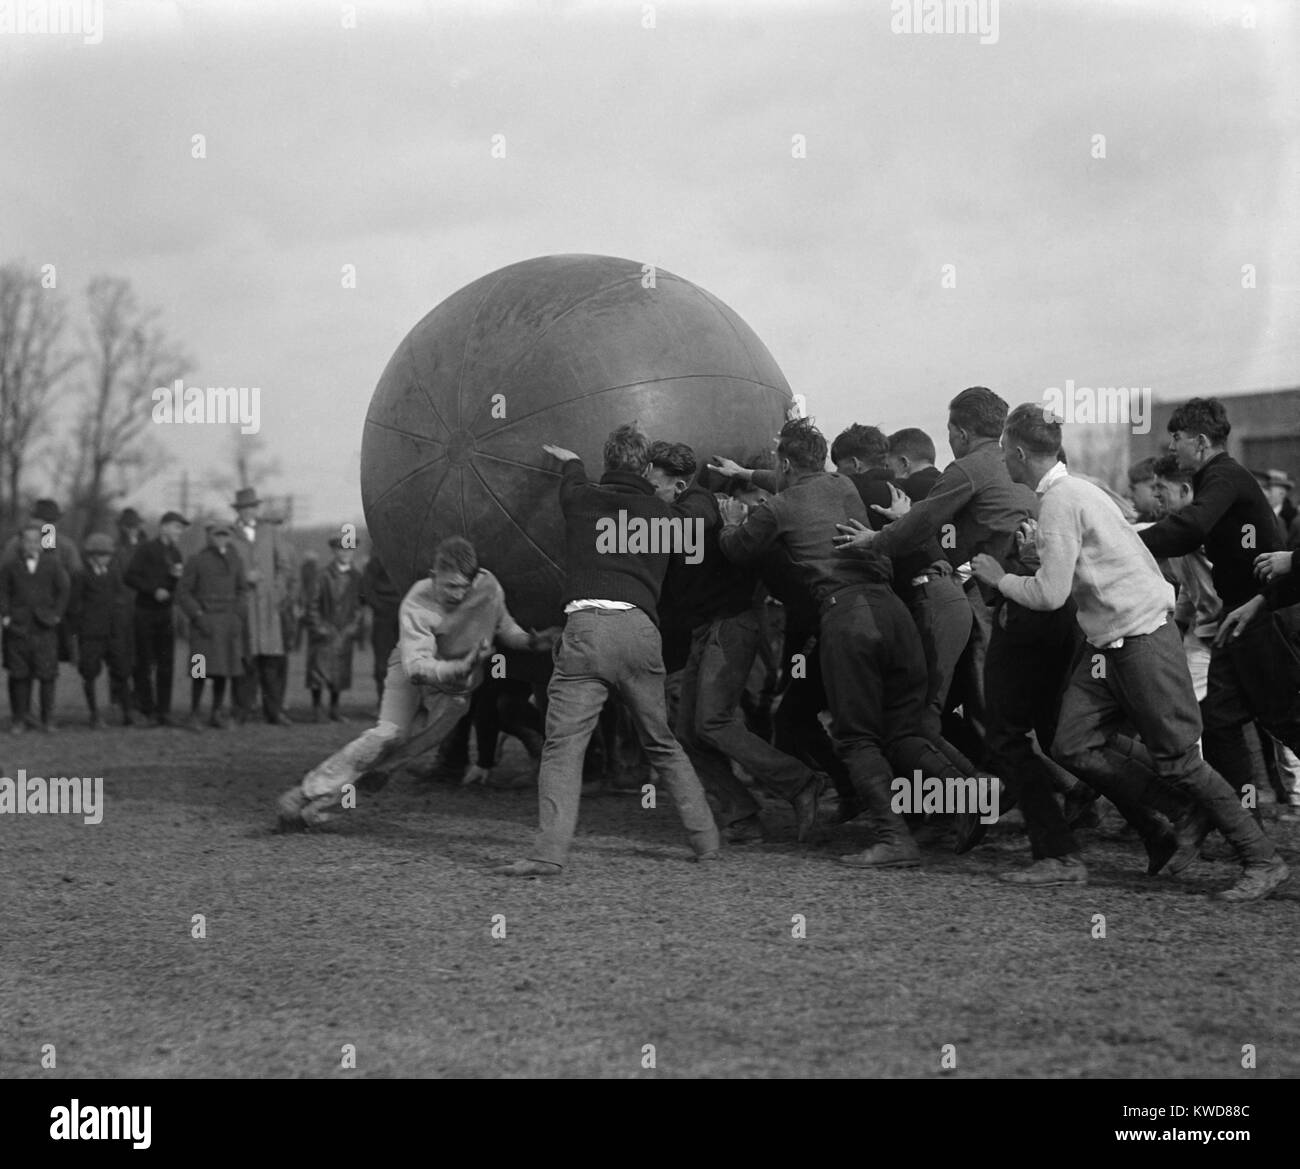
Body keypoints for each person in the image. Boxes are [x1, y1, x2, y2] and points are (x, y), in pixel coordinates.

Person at [972, 403, 1287, 902]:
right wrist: (1045, 557)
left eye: (1002, 454)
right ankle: (1183, 810)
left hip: (1139, 635)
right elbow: (1098, 555)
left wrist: (999, 578)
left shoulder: (1058, 501)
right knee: (1072, 742)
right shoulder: (1080, 490)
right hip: (1110, 640)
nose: (1001, 463)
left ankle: (1262, 860)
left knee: (1181, 760)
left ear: (1016, 451)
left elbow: (1050, 596)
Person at [718, 417, 982, 870]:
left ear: (784, 463)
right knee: (903, 730)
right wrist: (749, 473)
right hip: (897, 614)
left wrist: (728, 523)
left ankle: (893, 838)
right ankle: (972, 799)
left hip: (847, 617)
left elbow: (738, 551)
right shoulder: (845, 486)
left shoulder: (780, 507)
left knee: (856, 736)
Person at [492, 425, 723, 876]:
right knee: (662, 743)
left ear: (607, 463)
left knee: (563, 748)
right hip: (640, 632)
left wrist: (571, 459)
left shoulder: (581, 500)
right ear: (646, 468)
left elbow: (573, 478)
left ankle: (548, 854)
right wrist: (695, 491)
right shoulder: (663, 517)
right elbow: (703, 516)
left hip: (587, 631)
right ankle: (706, 841)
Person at [277, 536, 556, 830]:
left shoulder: (488, 587)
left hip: (455, 697)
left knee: (390, 764)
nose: (457, 594)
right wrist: (462, 666)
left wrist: (533, 641)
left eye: (464, 586)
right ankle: (305, 793)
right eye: (449, 586)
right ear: (434, 576)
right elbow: (417, 669)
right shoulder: (416, 602)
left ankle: (318, 812)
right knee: (385, 738)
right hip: (413, 676)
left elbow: (505, 626)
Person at [647, 440, 822, 845]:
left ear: (676, 485)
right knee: (688, 733)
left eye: (653, 484)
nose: (648, 492)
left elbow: (678, 526)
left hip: (731, 625)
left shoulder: (699, 506)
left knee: (713, 721)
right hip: (707, 628)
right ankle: (741, 811)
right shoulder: (698, 506)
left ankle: (800, 782)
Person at [1138, 399, 1300, 825]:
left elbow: (1190, 527)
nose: (1171, 448)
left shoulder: (1225, 476)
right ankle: (1249, 825)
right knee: (1219, 721)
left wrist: (1126, 541)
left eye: (1177, 439)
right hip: (1240, 615)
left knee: (1287, 721)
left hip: (1267, 616)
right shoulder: (1217, 478)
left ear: (1202, 442)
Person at [229, 486, 294, 725]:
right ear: (238, 511)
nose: (249, 512)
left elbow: (284, 566)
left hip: (269, 608)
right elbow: (228, 569)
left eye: (252, 507)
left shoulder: (270, 533)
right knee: (245, 660)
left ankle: (274, 711)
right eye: (244, 508)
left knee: (271, 662)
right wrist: (245, 577)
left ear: (257, 508)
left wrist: (277, 592)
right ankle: (242, 710)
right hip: (244, 606)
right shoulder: (230, 535)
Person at [0, 522, 70, 733]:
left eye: (35, 540)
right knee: (19, 674)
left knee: (47, 674)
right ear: (20, 543)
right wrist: (6, 615)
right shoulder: (10, 566)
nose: (31, 544)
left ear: (42, 542)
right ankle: (19, 720)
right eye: (27, 540)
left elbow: (64, 589)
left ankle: (48, 719)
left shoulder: (53, 563)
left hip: (45, 627)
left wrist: (57, 614)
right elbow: (2, 592)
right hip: (18, 628)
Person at [177, 523, 247, 729]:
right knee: (199, 671)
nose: (221, 539)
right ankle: (194, 713)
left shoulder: (236, 561)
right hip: (203, 625)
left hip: (227, 623)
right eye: (217, 535)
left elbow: (243, 591)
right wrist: (198, 615)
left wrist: (237, 617)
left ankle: (216, 712)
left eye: (225, 535)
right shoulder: (197, 560)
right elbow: (183, 592)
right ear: (209, 537)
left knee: (222, 670)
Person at [125, 511, 189, 727]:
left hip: (165, 614)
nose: (179, 532)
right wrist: (153, 590)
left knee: (167, 664)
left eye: (181, 528)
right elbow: (130, 577)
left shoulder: (176, 554)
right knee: (144, 664)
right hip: (144, 612)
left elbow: (175, 582)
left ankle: (164, 711)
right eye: (176, 527)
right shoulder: (145, 550)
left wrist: (173, 584)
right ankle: (147, 709)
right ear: (164, 527)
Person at [68, 533, 129, 728]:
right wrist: (81, 629)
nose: (106, 558)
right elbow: (75, 606)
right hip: (91, 634)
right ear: (91, 556)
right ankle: (94, 714)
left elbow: (121, 598)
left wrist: (119, 622)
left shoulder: (113, 573)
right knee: (90, 672)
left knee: (121, 671)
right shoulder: (80, 575)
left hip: (113, 632)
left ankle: (126, 712)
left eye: (108, 555)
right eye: (102, 555)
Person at [306, 536, 363, 722]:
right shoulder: (322, 575)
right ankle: (316, 709)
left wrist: (352, 628)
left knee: (340, 671)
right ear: (334, 552)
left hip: (344, 632)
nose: (345, 554)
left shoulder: (357, 577)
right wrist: (320, 627)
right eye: (341, 550)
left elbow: (359, 607)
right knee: (319, 671)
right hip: (324, 631)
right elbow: (312, 605)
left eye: (349, 550)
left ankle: (334, 709)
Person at [111, 507, 146, 722]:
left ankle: (139, 698)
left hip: (143, 607)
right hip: (122, 608)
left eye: (134, 525)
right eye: (127, 526)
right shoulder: (116, 549)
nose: (131, 529)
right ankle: (120, 699)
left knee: (143, 657)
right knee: (120, 656)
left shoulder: (146, 548)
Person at [360, 552, 402, 707]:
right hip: (383, 617)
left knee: (407, 660)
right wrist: (380, 607)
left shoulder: (411, 553)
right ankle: (384, 702)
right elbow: (366, 588)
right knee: (382, 662)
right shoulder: (378, 558)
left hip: (406, 615)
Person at [1126, 458, 1165, 523]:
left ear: (1155, 487)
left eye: (1133, 489)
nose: (1130, 495)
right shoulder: (1145, 519)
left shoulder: (1171, 523)